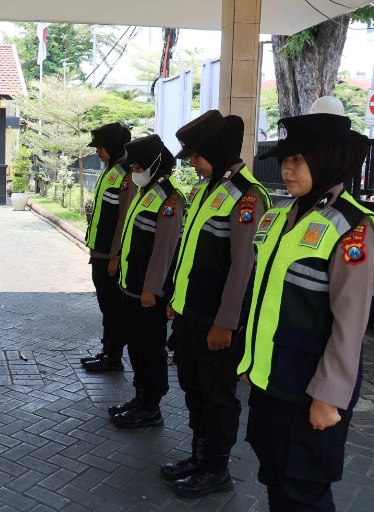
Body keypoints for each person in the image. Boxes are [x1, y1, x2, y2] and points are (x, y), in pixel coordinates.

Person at [238, 112, 374, 511]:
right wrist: (250, 362)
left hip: (310, 389)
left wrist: (328, 398)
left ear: (326, 159)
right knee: (275, 474)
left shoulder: (352, 228)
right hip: (271, 380)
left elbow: (350, 324)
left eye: (298, 158)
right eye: (285, 159)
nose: (287, 167)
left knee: (305, 491)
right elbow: (263, 295)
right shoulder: (279, 214)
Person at [164, 110, 270, 498]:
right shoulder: (209, 189)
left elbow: (243, 267)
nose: (192, 163)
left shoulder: (247, 196)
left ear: (215, 150)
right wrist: (176, 301)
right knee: (194, 388)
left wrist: (225, 323)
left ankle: (216, 468)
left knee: (217, 396)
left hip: (217, 323)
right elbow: (190, 252)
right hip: (192, 314)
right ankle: (199, 455)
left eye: (196, 155)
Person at [109, 135, 183, 428]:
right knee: (137, 347)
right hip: (133, 287)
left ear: (156, 164)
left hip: (148, 294)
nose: (134, 170)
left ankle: (151, 406)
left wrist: (151, 288)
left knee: (151, 351)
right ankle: (140, 398)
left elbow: (164, 250)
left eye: (139, 165)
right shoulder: (147, 193)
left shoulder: (169, 199)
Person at [81, 122, 134, 372]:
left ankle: (114, 356)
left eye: (100, 147)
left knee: (113, 308)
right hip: (99, 252)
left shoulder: (126, 173)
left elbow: (124, 219)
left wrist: (115, 256)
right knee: (106, 305)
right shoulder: (111, 169)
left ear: (112, 146)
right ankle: (107, 350)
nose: (97, 152)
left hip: (110, 256)